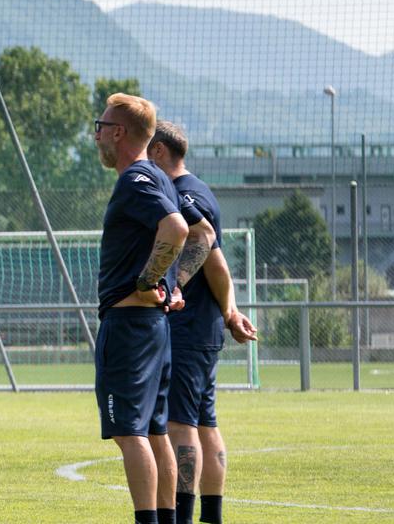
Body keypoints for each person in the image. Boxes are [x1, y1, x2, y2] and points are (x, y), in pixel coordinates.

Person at [93, 94, 216, 524]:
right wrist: (174, 282)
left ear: (119, 133)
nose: (97, 134)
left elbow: (181, 229)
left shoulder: (136, 180)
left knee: (130, 433)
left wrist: (151, 280)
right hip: (153, 326)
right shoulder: (162, 179)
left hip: (129, 325)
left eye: (101, 126)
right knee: (155, 431)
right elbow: (204, 233)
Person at [148, 121, 258, 524]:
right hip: (206, 326)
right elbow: (219, 263)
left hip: (187, 327)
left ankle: (182, 515)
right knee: (205, 423)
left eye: (147, 150)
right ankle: (211, 517)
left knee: (181, 426)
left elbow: (204, 240)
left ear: (159, 151)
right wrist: (230, 312)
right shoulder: (202, 190)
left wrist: (172, 282)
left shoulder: (179, 194)